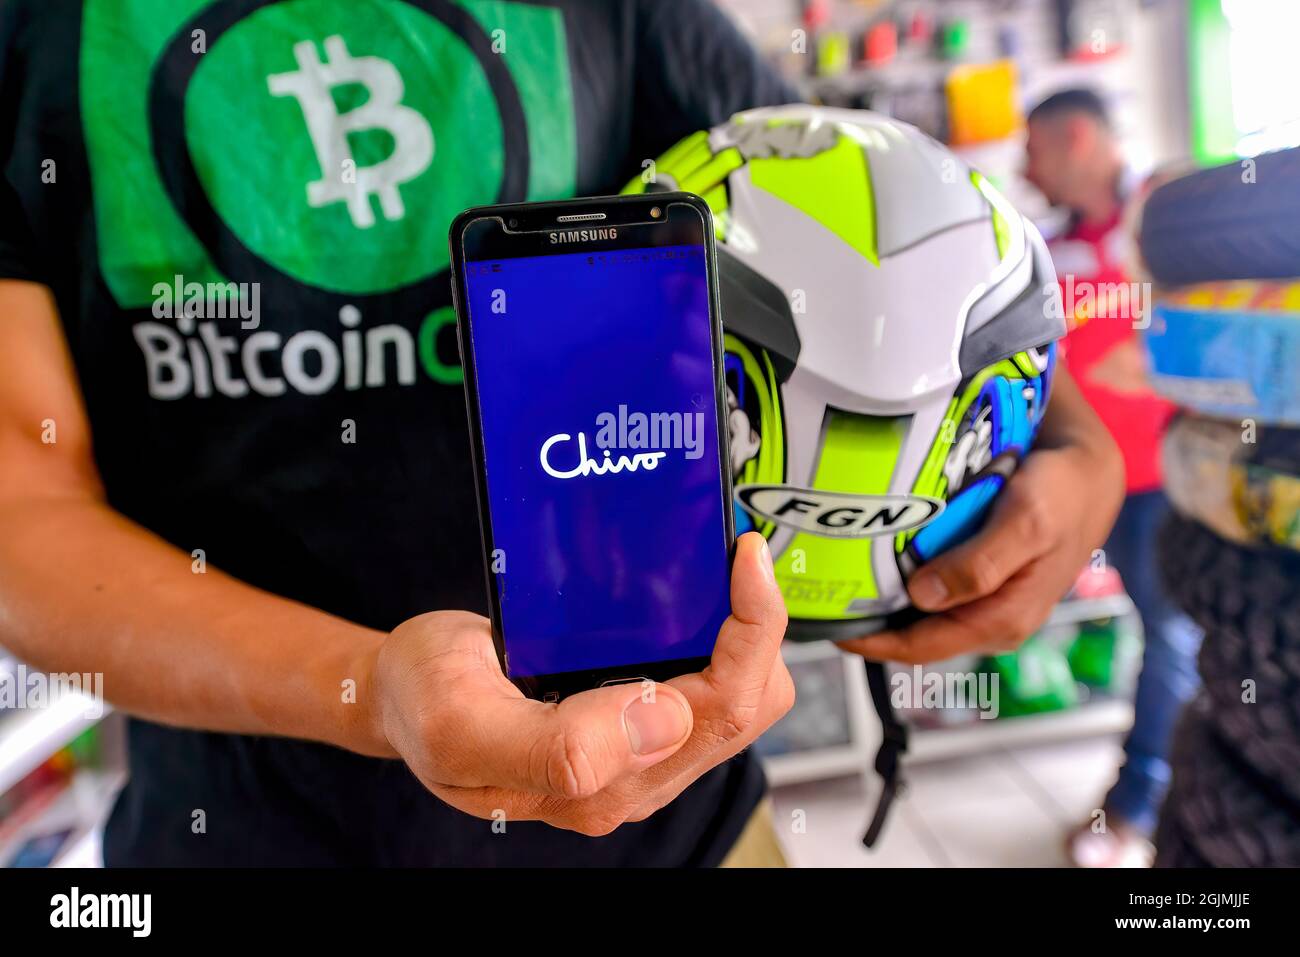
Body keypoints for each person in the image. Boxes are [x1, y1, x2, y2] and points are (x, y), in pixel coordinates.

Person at [0, 0, 1122, 867]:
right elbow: (19, 514)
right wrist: (370, 689)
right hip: (238, 837)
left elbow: (880, 201)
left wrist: (1078, 450)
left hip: (674, 824)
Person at [1024, 89, 1203, 867]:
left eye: (1035, 149)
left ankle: (1134, 804)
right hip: (1086, 484)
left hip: (1169, 479)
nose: (1027, 169)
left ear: (1077, 137)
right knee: (1152, 635)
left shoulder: (1167, 214)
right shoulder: (1046, 246)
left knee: (1171, 638)